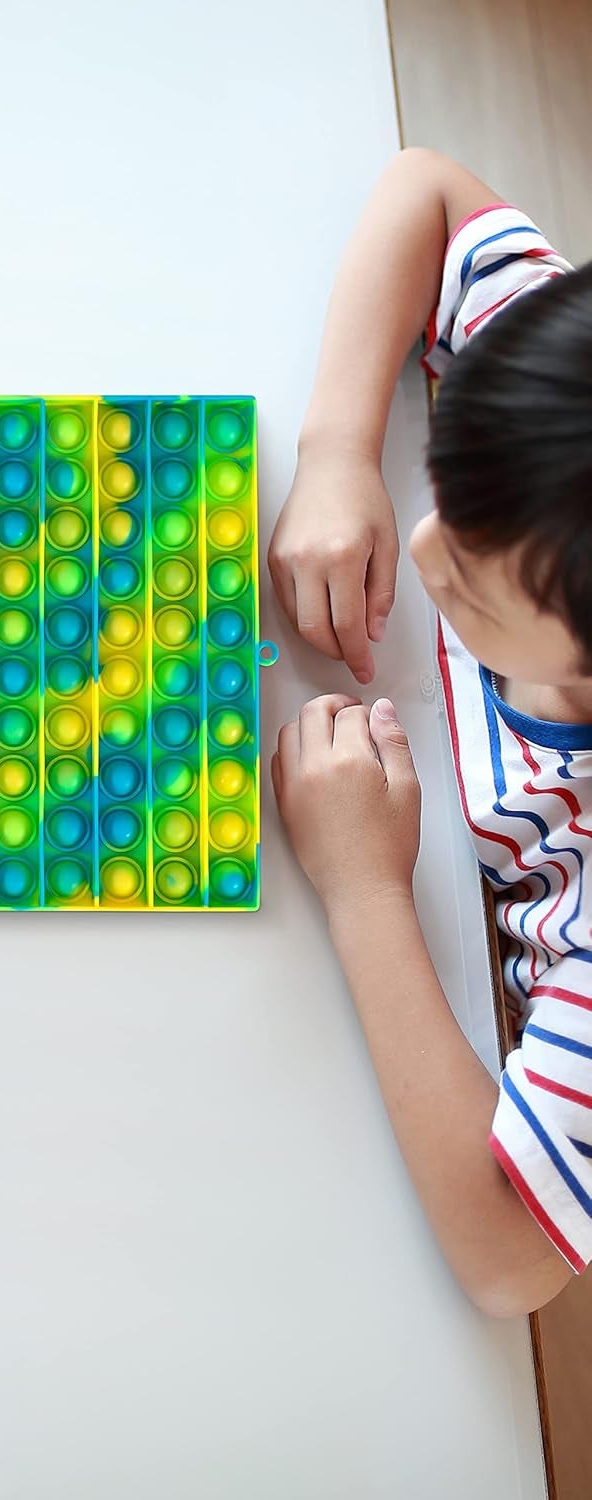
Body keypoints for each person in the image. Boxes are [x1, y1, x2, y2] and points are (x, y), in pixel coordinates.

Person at [268, 148, 588, 1314]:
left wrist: (363, 889)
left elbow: (514, 1266)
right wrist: (341, 451)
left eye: (474, 591)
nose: (417, 548)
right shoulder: (568, 399)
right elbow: (428, 189)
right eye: (444, 499)